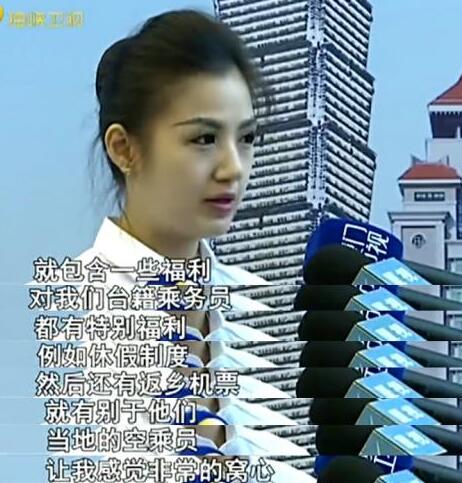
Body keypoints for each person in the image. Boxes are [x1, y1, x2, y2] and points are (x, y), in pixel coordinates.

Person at [34, 9, 315, 482]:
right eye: (204, 138)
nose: (234, 167)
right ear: (124, 149)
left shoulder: (252, 310)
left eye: (246, 138)